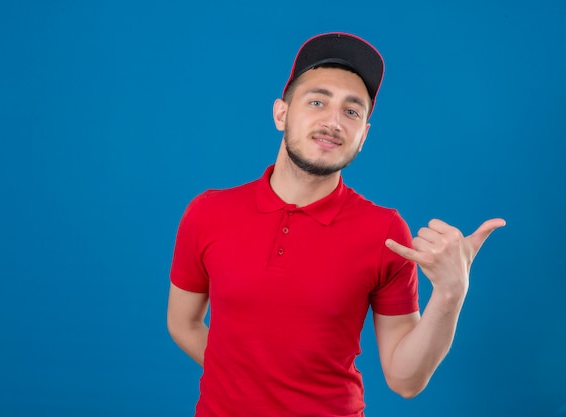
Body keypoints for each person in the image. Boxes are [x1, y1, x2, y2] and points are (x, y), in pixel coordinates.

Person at [166, 32, 505, 417]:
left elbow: (405, 380)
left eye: (351, 112)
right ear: (281, 113)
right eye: (317, 102)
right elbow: (183, 322)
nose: (333, 122)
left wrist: (450, 294)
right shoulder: (209, 212)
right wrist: (248, 383)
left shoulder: (384, 231)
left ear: (363, 136)